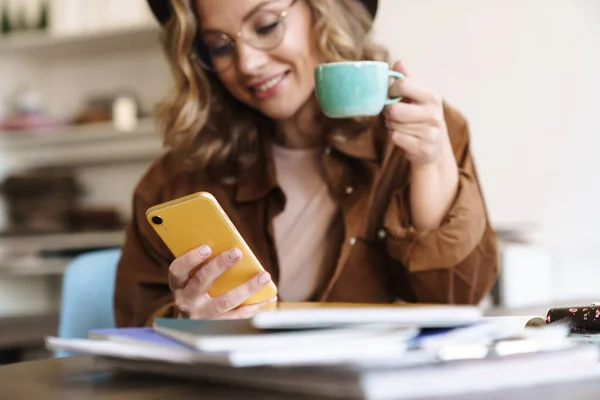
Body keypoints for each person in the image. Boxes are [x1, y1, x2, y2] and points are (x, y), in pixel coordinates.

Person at [114, 0, 499, 327]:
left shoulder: (421, 133)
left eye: (266, 26)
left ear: (323, 11)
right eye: (219, 46)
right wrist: (188, 323)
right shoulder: (174, 182)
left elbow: (456, 299)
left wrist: (430, 166)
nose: (247, 63)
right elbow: (134, 331)